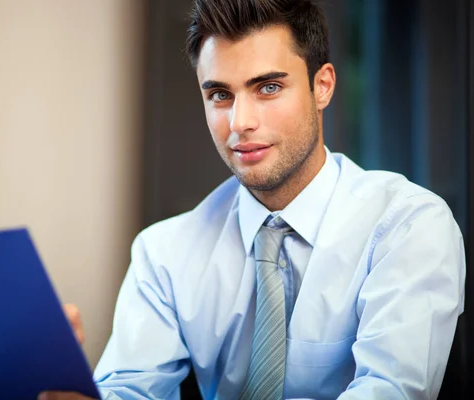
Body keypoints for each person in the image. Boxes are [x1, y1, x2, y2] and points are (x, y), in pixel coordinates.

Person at [39, 0, 466, 399]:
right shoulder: (164, 254)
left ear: (323, 86)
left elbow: (390, 391)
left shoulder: (408, 226)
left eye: (268, 88)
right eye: (220, 95)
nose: (239, 123)